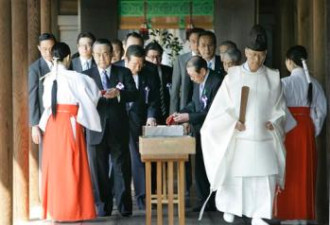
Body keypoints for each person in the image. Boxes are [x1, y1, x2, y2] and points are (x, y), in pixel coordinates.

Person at [200, 25, 287, 225]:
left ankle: (259, 214)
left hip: (264, 137)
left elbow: (280, 107)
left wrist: (275, 121)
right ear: (246, 52)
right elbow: (219, 109)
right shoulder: (233, 75)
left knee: (263, 179)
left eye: (261, 56)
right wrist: (232, 123)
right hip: (240, 137)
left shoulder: (273, 77)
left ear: (265, 54)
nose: (256, 60)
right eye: (253, 55)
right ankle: (231, 208)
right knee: (236, 178)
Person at [38, 42, 101, 222]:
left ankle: (55, 210)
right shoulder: (77, 77)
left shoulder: (48, 78)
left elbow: (45, 104)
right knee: (72, 166)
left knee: (55, 167)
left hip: (53, 124)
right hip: (70, 123)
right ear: (67, 58)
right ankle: (73, 209)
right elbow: (94, 95)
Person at [83, 39, 138, 217]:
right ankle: (102, 207)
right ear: (92, 54)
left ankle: (124, 206)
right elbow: (80, 101)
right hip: (94, 128)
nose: (101, 57)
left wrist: (119, 93)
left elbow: (135, 94)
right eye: (98, 54)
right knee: (98, 170)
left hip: (118, 127)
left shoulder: (123, 72)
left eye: (105, 53)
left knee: (121, 168)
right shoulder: (86, 75)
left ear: (112, 54)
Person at [276, 45, 327, 223]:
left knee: (288, 172)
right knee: (305, 171)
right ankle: (302, 217)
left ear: (289, 62)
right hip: (306, 129)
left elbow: (277, 109)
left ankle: (288, 216)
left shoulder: (283, 82)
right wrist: (313, 129)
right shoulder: (314, 84)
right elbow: (320, 111)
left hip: (288, 129)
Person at [170, 55, 222, 212]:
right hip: (200, 130)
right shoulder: (198, 81)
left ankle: (215, 200)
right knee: (199, 164)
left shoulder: (217, 82)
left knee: (212, 166)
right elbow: (195, 103)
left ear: (204, 71)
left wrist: (189, 117)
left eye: (193, 76)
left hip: (214, 131)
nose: (192, 80)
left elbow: (213, 111)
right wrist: (181, 113)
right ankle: (203, 199)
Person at [125, 45, 159, 210]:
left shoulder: (149, 74)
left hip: (140, 121)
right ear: (126, 61)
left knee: (141, 159)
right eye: (134, 64)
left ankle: (143, 197)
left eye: (140, 64)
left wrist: (151, 116)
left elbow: (153, 99)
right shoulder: (118, 72)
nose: (138, 68)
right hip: (120, 121)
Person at [170, 27, 205, 114]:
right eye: (193, 41)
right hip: (185, 105)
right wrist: (173, 113)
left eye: (199, 41)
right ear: (189, 43)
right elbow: (175, 89)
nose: (196, 45)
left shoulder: (208, 59)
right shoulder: (181, 60)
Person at [145, 41, 172, 124]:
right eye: (152, 57)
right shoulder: (142, 73)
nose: (155, 61)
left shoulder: (169, 71)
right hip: (148, 117)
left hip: (167, 114)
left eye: (158, 57)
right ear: (145, 57)